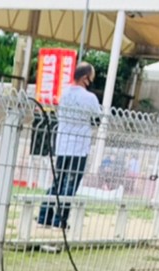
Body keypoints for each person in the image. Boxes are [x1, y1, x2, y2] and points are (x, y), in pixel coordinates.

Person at [39, 61, 101, 230]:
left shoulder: (63, 93)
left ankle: (44, 217)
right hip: (79, 146)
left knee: (57, 181)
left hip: (62, 144)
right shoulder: (90, 98)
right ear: (85, 78)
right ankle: (60, 221)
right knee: (70, 184)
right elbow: (97, 119)